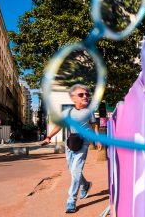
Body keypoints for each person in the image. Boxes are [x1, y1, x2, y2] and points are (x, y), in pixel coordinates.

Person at [40, 84, 101, 213]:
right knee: (72, 170)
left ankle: (71, 201)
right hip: (71, 142)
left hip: (83, 143)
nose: (85, 96)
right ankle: (85, 185)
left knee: (76, 171)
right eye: (81, 95)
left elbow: (94, 125)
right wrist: (49, 136)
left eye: (87, 94)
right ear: (73, 98)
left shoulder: (89, 112)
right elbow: (59, 126)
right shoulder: (67, 112)